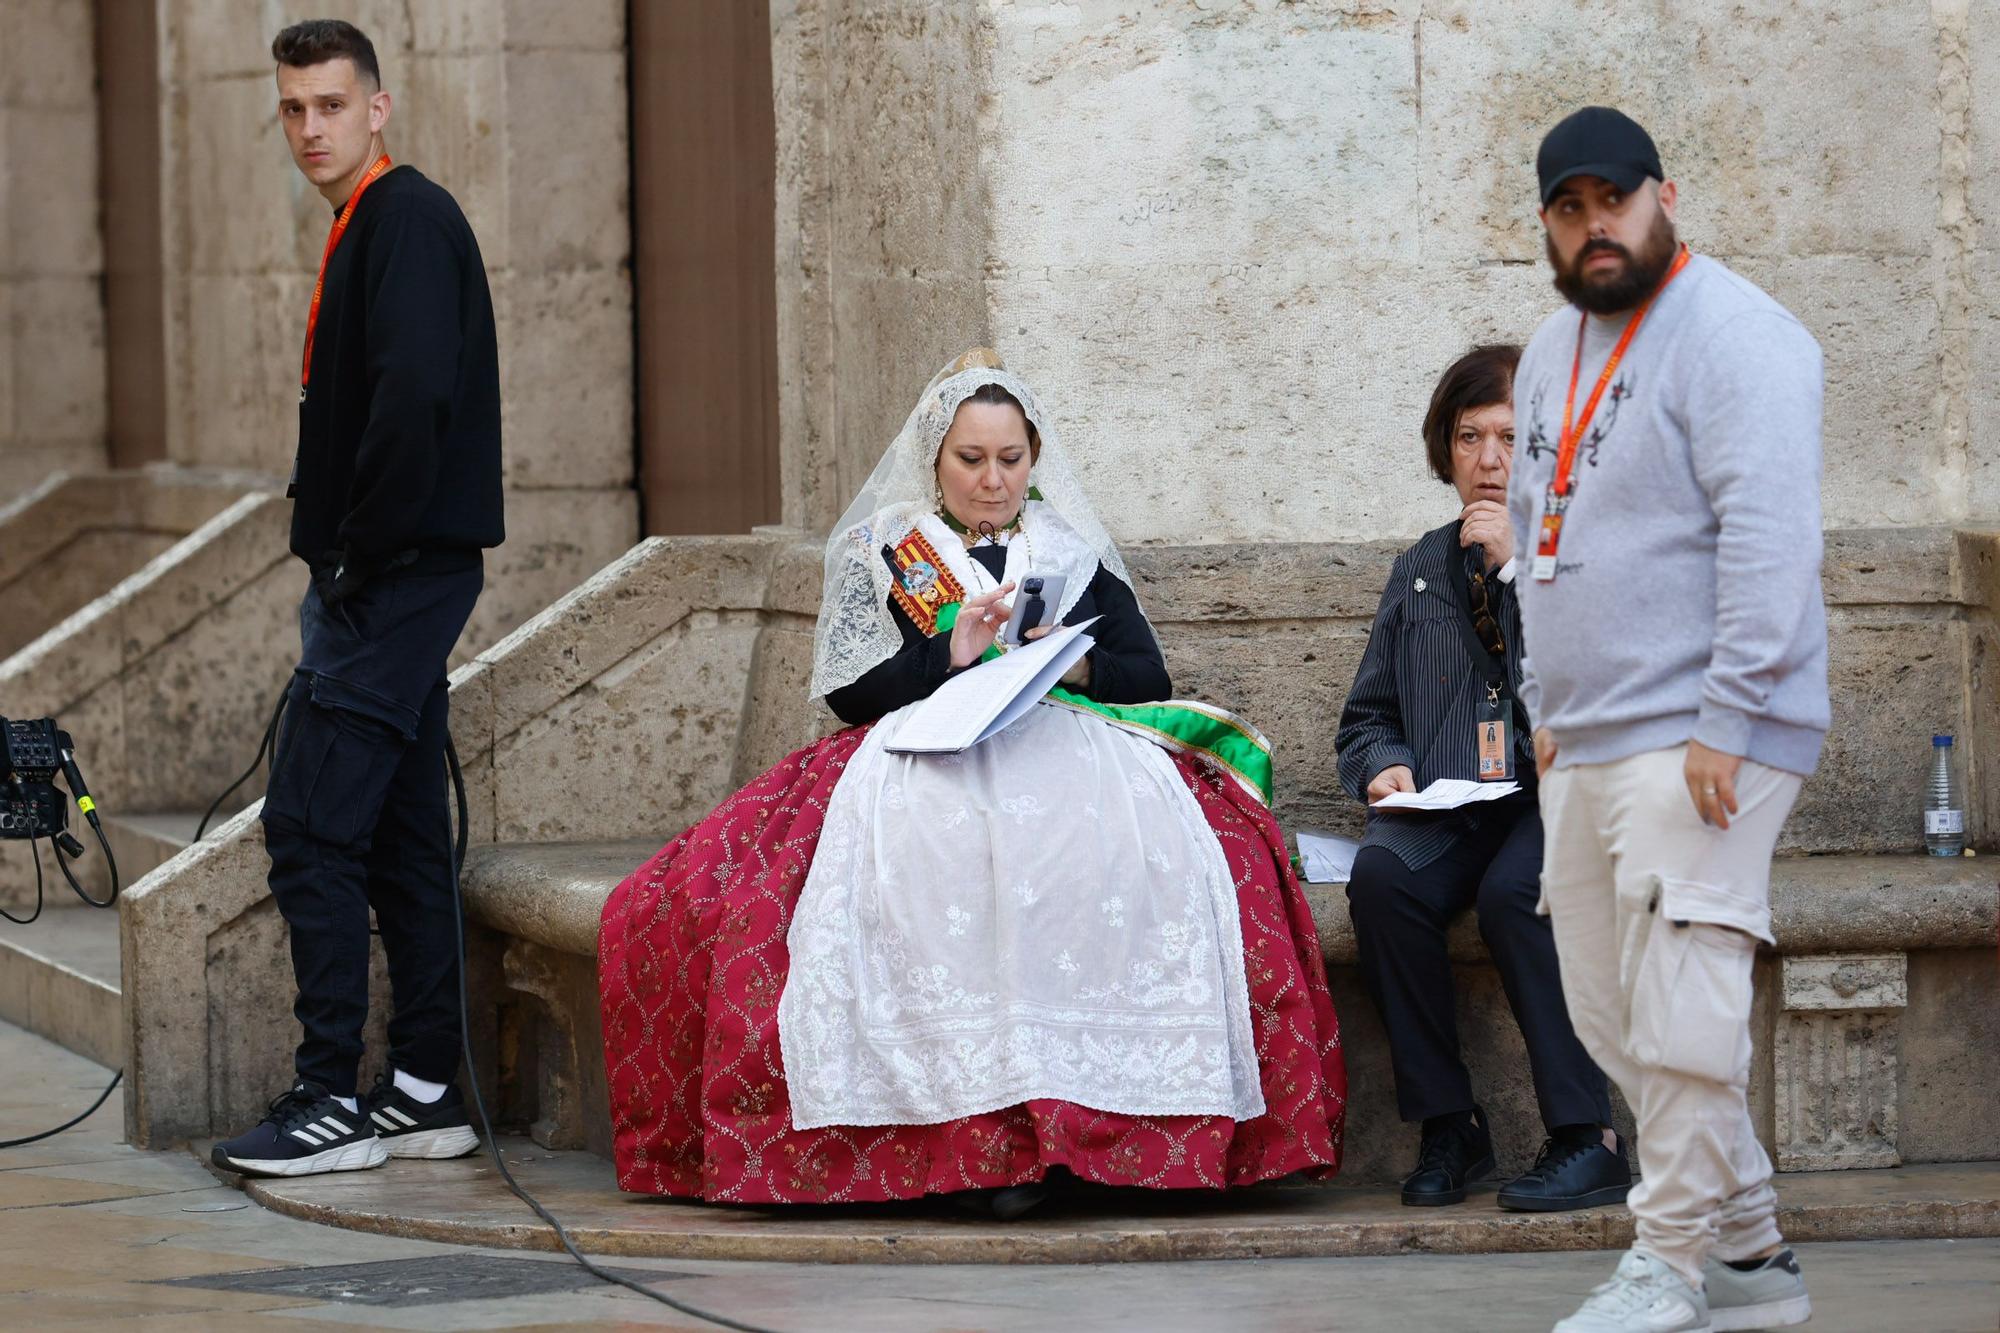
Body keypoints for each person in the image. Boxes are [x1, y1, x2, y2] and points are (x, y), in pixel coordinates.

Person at [597, 350, 1345, 1212]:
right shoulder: (895, 550)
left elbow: (1146, 670)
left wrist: (1072, 657)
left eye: (1010, 459)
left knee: (1124, 866)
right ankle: (968, 1141)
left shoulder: (1067, 545)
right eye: (972, 459)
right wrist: (947, 652)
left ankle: (1092, 1131)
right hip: (929, 744)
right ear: (937, 459)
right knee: (932, 870)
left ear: (1034, 459)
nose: (993, 480)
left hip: (1065, 742)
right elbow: (850, 692)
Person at [1509, 108, 1826, 1333]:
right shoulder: (1548, 347)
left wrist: (1727, 716)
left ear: (1665, 196)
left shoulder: (1739, 335)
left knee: (1684, 1002)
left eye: (1616, 199)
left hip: (1709, 730)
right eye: (1571, 206)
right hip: (1584, 735)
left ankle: (1672, 1265)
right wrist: (1544, 705)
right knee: (1609, 1013)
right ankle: (1750, 1254)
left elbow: (1768, 536)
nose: (1598, 225)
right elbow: (1545, 531)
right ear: (1545, 221)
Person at [212, 19, 503, 1177]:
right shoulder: (366, 223)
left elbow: (415, 397)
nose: (310, 127)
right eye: (291, 108)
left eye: (330, 104)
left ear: (377, 106)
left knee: (307, 831)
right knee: (393, 838)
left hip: (396, 576)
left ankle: (328, 1093)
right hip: (392, 574)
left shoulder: (407, 218)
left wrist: (353, 559)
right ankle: (427, 1085)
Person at [1335, 345, 1628, 1213]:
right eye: (1470, 437)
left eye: (1511, 436)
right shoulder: (1420, 567)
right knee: (1383, 878)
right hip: (1456, 804)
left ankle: (1590, 1136)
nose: (1491, 459)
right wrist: (1381, 765)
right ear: (1446, 450)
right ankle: (1451, 1124)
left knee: (1516, 893)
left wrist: (1518, 568)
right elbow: (1366, 715)